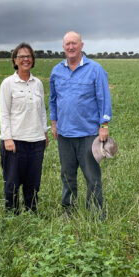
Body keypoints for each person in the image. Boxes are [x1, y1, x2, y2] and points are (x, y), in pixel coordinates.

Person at [49, 31, 112, 215]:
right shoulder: (57, 71)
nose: (71, 47)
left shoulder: (95, 69)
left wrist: (104, 125)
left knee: (92, 176)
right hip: (65, 134)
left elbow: (104, 98)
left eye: (74, 43)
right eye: (67, 44)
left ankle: (95, 212)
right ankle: (68, 211)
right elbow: (53, 100)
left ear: (81, 45)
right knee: (67, 176)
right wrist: (54, 123)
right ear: (63, 47)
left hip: (89, 133)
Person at [0, 42, 49, 214]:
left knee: (33, 183)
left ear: (33, 60)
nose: (25, 59)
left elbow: (42, 109)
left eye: (28, 56)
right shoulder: (8, 83)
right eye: (21, 56)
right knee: (12, 183)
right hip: (15, 142)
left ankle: (31, 213)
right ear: (15, 60)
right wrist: (7, 138)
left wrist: (44, 132)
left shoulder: (38, 84)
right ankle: (12, 215)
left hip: (36, 142)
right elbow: (4, 112)